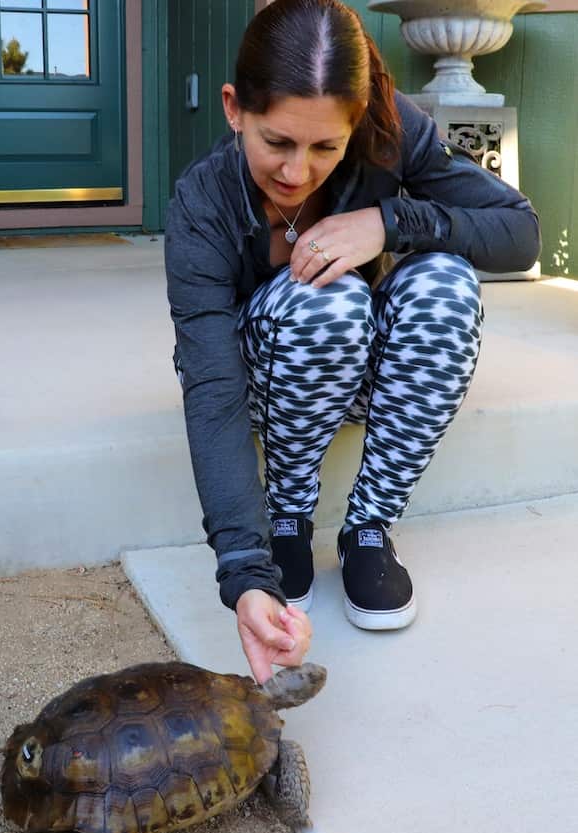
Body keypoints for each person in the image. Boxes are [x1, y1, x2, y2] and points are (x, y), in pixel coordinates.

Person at [165, 0, 540, 683]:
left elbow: (519, 231)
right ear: (234, 109)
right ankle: (288, 520)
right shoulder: (202, 203)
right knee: (326, 291)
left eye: (325, 147)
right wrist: (245, 571)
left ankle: (369, 527)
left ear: (356, 122)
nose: (297, 171)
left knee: (446, 284)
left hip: (359, 371)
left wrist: (390, 219)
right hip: (267, 382)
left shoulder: (395, 136)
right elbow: (213, 386)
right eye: (277, 141)